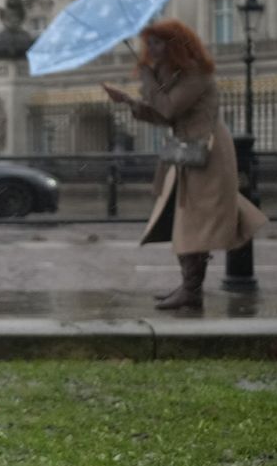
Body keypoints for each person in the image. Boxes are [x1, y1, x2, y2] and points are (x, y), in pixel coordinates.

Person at [103, 19, 267, 310]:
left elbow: (168, 107)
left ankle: (191, 290)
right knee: (185, 220)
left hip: (206, 153)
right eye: (148, 43)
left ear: (175, 44)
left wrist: (147, 79)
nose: (150, 49)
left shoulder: (196, 73)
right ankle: (190, 287)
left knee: (193, 222)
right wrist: (129, 101)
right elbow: (165, 116)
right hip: (186, 152)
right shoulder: (173, 73)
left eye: (156, 42)